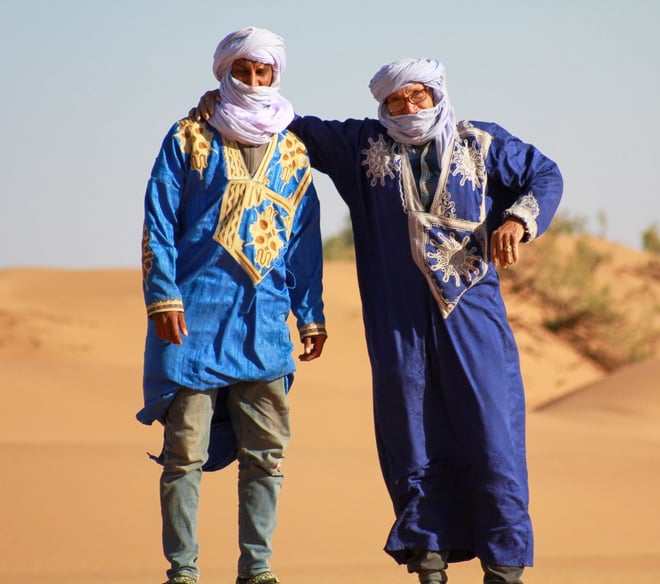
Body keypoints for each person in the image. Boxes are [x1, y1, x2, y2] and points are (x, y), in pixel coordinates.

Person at [194, 56, 562, 584]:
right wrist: (222, 106)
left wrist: (518, 219)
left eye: (418, 96)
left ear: (437, 95)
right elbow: (283, 123)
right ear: (382, 106)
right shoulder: (362, 145)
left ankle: (503, 568)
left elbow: (544, 174)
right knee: (410, 434)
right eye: (395, 100)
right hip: (396, 320)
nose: (408, 107)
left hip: (473, 317)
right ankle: (428, 564)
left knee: (491, 431)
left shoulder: (481, 142)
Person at [139, 27, 327, 584]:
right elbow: (158, 221)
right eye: (241, 70)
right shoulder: (189, 137)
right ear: (223, 72)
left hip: (264, 323)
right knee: (183, 457)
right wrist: (162, 296)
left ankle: (258, 569)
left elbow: (303, 239)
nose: (252, 80)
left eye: (261, 71)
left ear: (276, 74)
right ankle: (183, 571)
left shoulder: (293, 149)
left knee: (266, 457)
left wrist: (310, 312)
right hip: (191, 319)